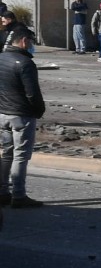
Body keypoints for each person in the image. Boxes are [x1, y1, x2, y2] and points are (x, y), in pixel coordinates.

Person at [0, 27, 45, 208]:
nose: (32, 46)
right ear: (25, 41)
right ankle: (19, 195)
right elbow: (32, 94)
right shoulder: (25, 63)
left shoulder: (1, 58)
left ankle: (3, 192)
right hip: (21, 115)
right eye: (31, 42)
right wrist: (39, 110)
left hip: (3, 113)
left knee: (6, 153)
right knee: (20, 156)